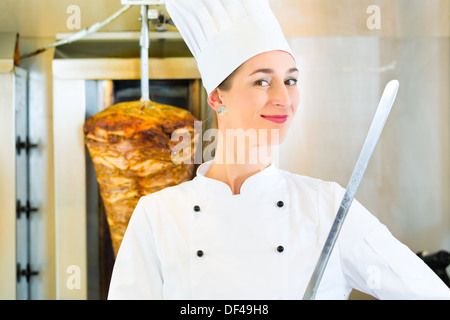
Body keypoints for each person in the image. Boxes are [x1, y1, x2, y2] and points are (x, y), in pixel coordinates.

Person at [108, 0, 450, 299]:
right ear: (217, 97)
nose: (284, 98)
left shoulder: (327, 207)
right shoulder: (157, 216)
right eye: (261, 80)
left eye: (291, 80)